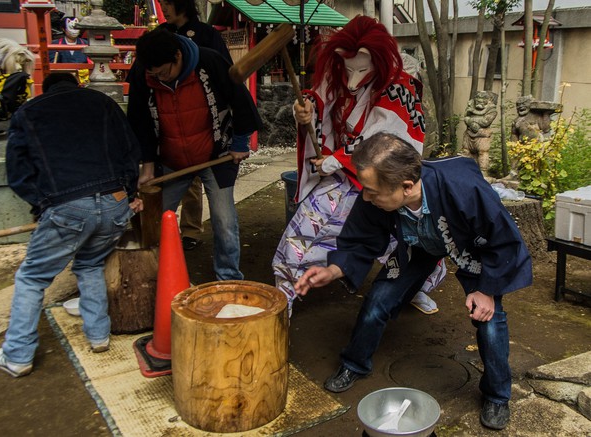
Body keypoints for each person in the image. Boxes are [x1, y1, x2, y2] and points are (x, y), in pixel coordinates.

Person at [294, 132, 533, 430]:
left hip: (468, 245)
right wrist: (332, 271)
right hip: (416, 242)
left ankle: (498, 395)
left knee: (489, 318)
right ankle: (354, 363)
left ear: (407, 186)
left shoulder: (465, 189)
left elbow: (505, 242)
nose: (365, 197)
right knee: (378, 299)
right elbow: (360, 240)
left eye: (371, 192)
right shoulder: (378, 192)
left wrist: (486, 290)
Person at [272, 16, 443, 317]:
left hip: (383, 179)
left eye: (362, 69)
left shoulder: (400, 86)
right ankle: (284, 290)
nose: (352, 79)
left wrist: (335, 159)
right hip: (340, 176)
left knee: (405, 237)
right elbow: (319, 105)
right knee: (308, 225)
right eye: (348, 68)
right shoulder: (336, 74)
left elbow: (384, 139)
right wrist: (306, 112)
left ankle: (415, 286)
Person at [0, 73, 143, 377]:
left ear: (46, 89)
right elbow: (131, 150)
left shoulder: (28, 112)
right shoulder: (102, 103)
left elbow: (17, 172)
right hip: (115, 202)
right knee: (89, 265)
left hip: (67, 205)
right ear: (78, 86)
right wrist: (128, 192)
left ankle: (18, 354)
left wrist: (41, 203)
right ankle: (99, 336)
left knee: (32, 277)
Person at [127, 28, 262, 280]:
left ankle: (229, 278)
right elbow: (139, 121)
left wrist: (240, 143)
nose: (160, 78)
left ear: (177, 56)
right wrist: (146, 167)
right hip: (171, 159)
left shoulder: (209, 61)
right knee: (153, 216)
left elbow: (240, 99)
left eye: (164, 72)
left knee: (224, 220)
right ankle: (154, 277)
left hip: (215, 153)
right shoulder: (143, 74)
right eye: (154, 74)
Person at [157, 0, 233, 251]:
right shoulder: (159, 36)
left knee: (221, 213)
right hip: (173, 131)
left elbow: (228, 77)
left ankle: (191, 229)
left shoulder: (206, 35)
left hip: (207, 127)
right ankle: (159, 258)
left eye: (169, 2)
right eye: (161, 3)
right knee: (166, 197)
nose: (165, 8)